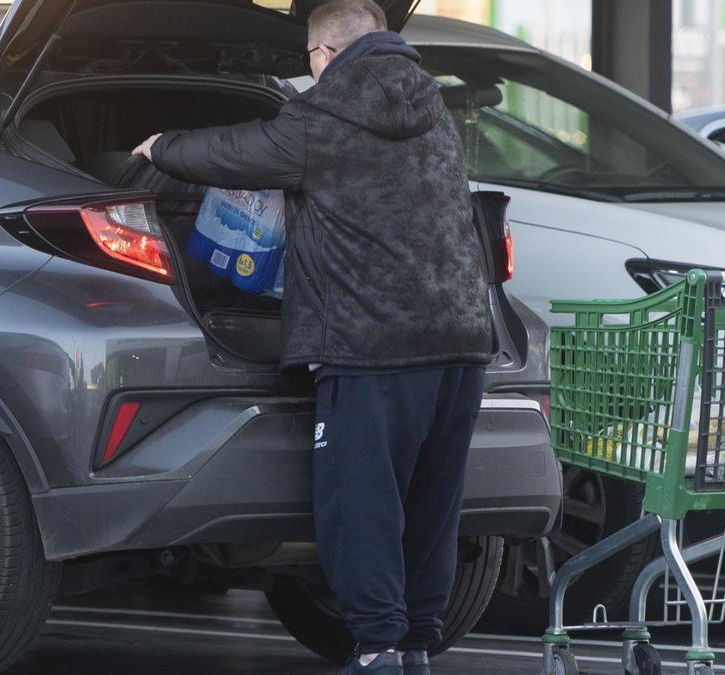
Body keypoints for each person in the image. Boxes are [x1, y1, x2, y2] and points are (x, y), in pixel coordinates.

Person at [132, 1, 494, 673]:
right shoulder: (434, 109)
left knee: (360, 503)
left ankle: (380, 645)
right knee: (431, 504)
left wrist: (159, 147)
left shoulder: (322, 116)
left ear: (322, 57)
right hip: (461, 341)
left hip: (373, 344)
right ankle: (415, 642)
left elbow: (236, 151)